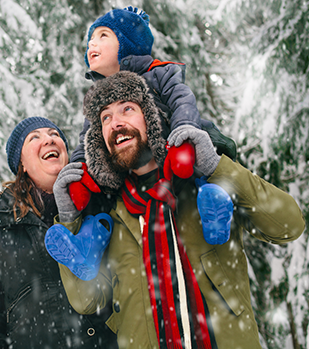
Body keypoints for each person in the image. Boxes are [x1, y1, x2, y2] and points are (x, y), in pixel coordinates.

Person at [52, 72, 305, 348]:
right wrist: (69, 221)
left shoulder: (205, 191)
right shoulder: (111, 217)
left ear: (151, 117)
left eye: (127, 109)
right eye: (106, 118)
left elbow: (288, 225)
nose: (116, 124)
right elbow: (86, 301)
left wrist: (216, 167)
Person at [71, 6, 235, 244]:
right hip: (135, 165)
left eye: (102, 36)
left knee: (201, 158)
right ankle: (89, 243)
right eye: (89, 41)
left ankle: (213, 208)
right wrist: (79, 168)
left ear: (127, 43)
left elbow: (182, 100)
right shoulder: (99, 97)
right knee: (102, 199)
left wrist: (184, 130)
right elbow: (87, 138)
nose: (91, 45)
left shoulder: (158, 73)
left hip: (176, 143)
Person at [0, 117, 118, 349]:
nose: (49, 140)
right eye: (35, 137)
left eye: (55, 135)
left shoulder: (100, 208)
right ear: (21, 164)